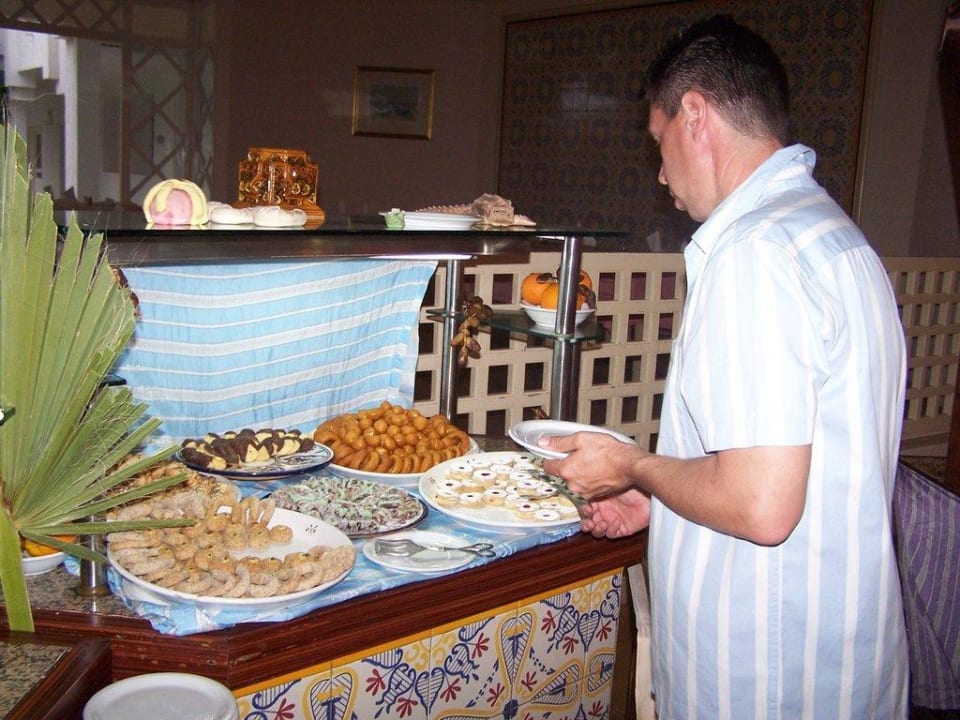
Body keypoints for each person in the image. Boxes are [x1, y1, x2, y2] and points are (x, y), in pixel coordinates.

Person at [540, 15, 909, 720]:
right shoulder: (833, 234)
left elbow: (761, 506)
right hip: (839, 658)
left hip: (763, 674)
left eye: (659, 141)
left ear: (695, 115)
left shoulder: (754, 253)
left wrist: (631, 465)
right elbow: (805, 463)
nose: (660, 173)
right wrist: (661, 501)